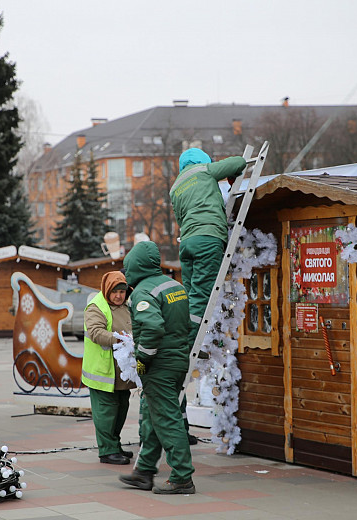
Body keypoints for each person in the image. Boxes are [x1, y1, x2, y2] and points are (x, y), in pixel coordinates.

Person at [169, 147, 246, 445]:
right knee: (202, 297)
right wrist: (229, 172)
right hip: (208, 238)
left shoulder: (177, 186)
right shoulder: (204, 171)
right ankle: (191, 342)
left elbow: (179, 216)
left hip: (185, 243)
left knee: (189, 295)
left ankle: (181, 337)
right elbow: (238, 162)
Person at [118, 240, 195, 495]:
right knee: (155, 416)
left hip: (159, 366)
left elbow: (152, 327)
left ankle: (182, 477)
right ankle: (145, 471)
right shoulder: (176, 286)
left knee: (168, 419)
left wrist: (142, 358)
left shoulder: (143, 291)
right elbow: (187, 324)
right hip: (177, 361)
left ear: (134, 266)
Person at [82, 270, 135, 465]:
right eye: (115, 292)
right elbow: (96, 332)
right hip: (103, 372)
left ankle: (115, 444)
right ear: (107, 290)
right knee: (106, 412)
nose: (119, 296)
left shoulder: (126, 305)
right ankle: (107, 450)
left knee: (121, 409)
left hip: (121, 372)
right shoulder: (96, 306)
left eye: (122, 292)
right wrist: (120, 339)